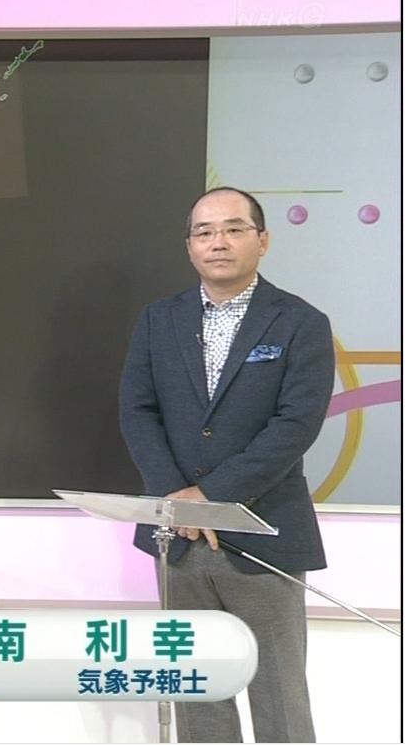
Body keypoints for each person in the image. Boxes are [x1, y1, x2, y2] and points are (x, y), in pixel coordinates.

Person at [118, 186, 334, 742]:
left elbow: (296, 425)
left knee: (279, 696)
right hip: (177, 540)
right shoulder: (158, 319)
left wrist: (212, 497)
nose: (218, 242)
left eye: (234, 229)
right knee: (197, 694)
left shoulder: (300, 322)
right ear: (189, 245)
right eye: (204, 231)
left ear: (263, 240)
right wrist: (176, 497)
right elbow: (137, 411)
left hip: (263, 535)